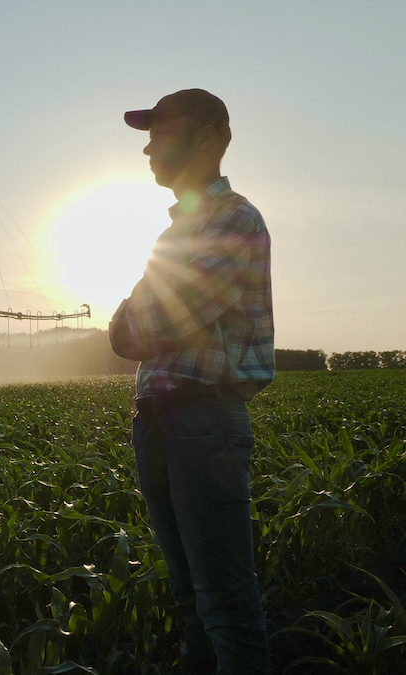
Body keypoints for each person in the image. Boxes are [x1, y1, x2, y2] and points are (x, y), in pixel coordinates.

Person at [109, 89, 274, 674]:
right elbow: (134, 328)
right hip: (158, 416)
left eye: (161, 132)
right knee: (191, 600)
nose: (148, 148)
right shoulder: (179, 231)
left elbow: (142, 327)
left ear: (208, 137)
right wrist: (133, 321)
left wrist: (132, 318)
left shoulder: (233, 219)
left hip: (203, 417)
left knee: (224, 601)